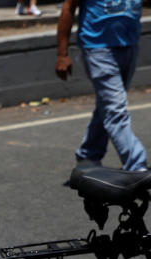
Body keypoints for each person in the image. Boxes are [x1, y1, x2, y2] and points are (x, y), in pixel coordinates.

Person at [56, 0, 147, 171]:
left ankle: (88, 154)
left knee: (108, 105)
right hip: (98, 49)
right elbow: (68, 8)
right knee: (115, 108)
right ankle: (137, 166)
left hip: (129, 44)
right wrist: (62, 54)